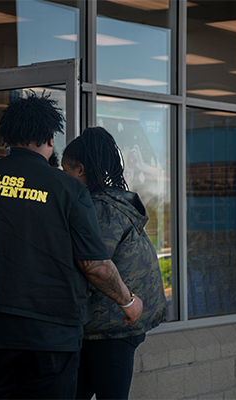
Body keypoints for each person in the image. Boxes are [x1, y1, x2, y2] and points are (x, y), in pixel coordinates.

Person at [0, 92, 143, 400]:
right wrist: (128, 302)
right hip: (50, 337)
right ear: (49, 137)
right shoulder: (69, 190)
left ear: (9, 136)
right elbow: (94, 267)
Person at [61, 127, 168, 400]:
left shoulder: (98, 209)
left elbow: (94, 264)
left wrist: (128, 302)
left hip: (111, 327)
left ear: (81, 170)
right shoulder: (115, 199)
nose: (64, 179)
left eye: (67, 172)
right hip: (107, 326)